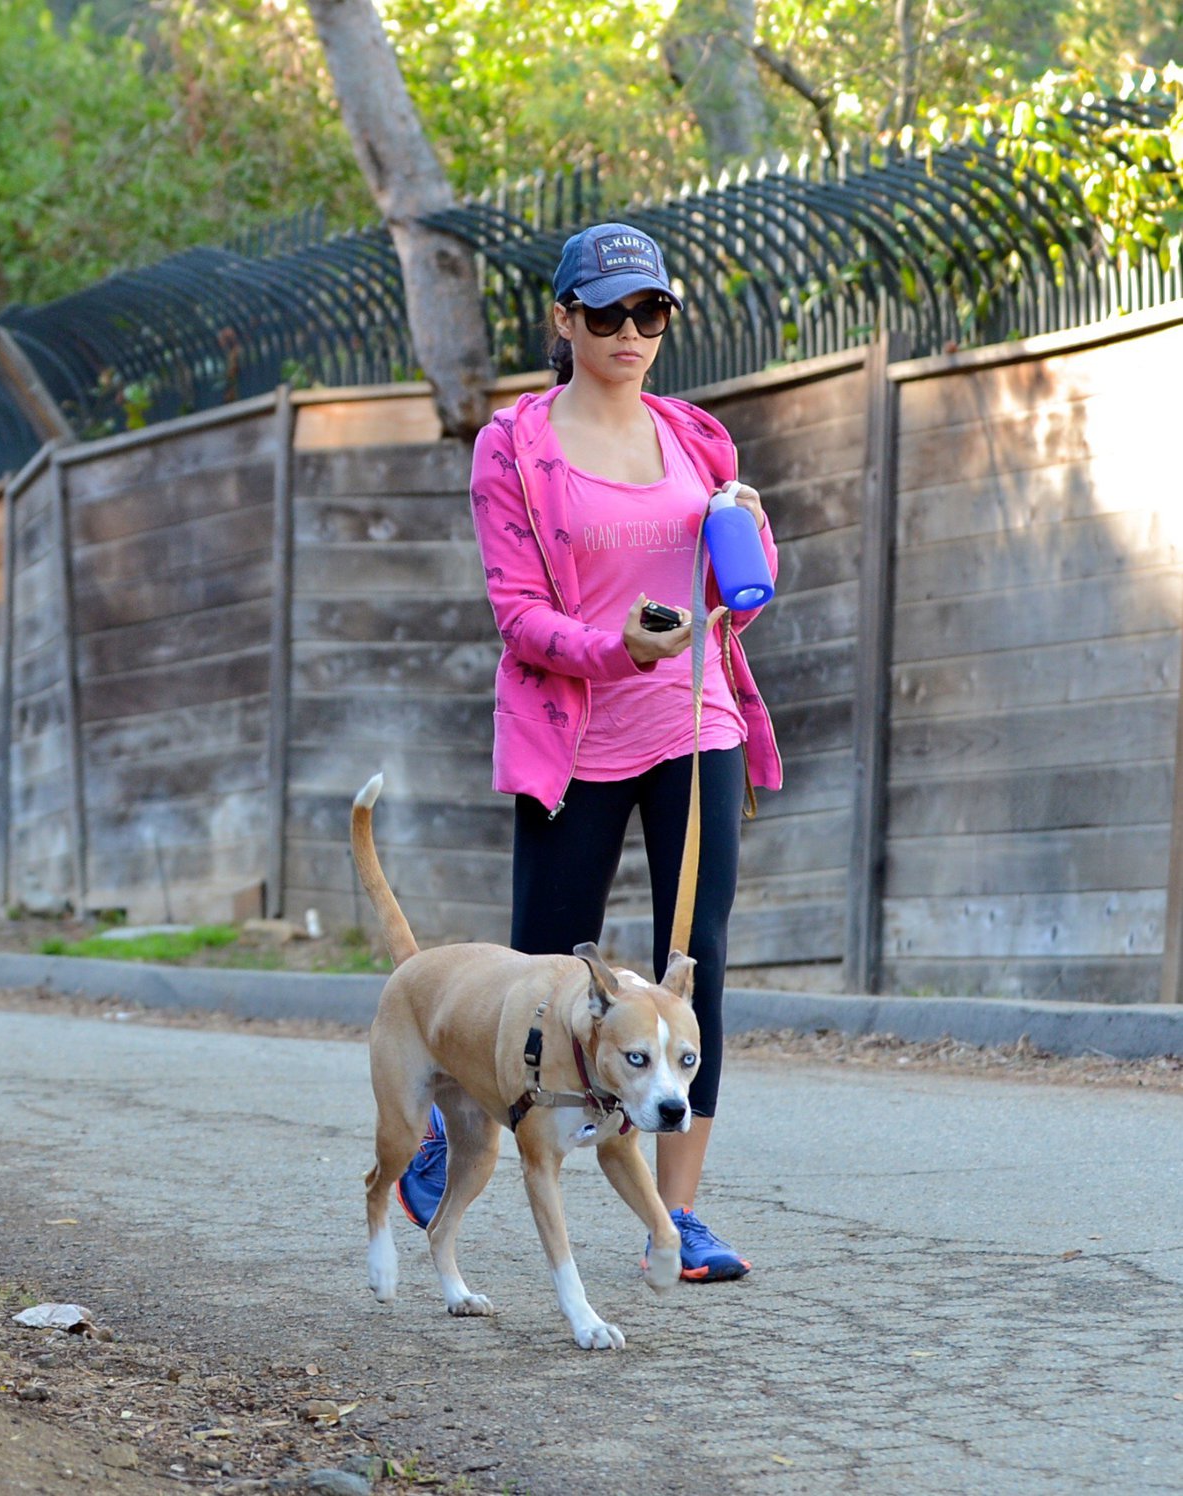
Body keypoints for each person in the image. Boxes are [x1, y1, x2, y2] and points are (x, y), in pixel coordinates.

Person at [397, 221, 782, 1280]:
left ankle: (680, 1211)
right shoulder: (514, 447)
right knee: (543, 967)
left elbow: (730, 590)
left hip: (694, 721)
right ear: (562, 320)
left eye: (647, 311)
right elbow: (517, 615)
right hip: (574, 736)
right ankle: (452, 1134)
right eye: (604, 313)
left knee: (690, 961)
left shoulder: (698, 439)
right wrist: (612, 647)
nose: (627, 331)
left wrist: (749, 538)